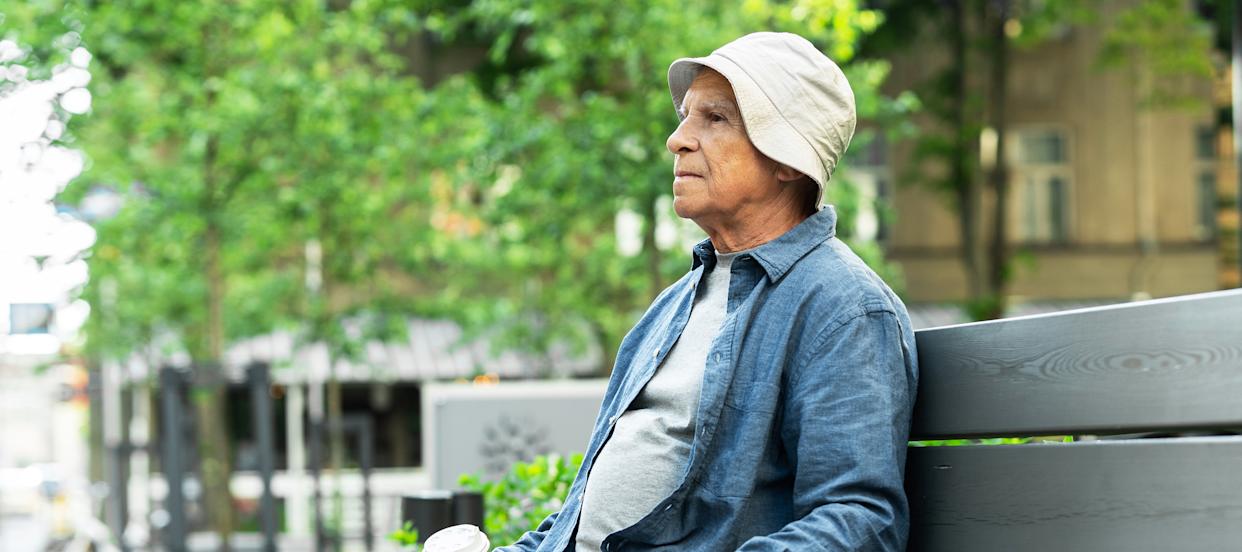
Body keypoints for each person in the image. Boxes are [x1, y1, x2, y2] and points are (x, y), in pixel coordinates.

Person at [497, 32, 919, 551]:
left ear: (788, 160)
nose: (677, 139)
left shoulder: (845, 308)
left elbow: (860, 522)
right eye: (685, 117)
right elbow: (577, 521)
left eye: (715, 118)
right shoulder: (673, 305)